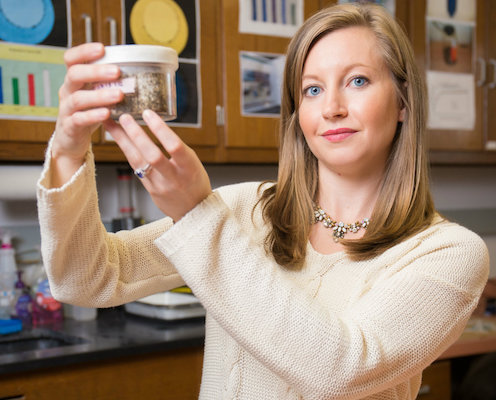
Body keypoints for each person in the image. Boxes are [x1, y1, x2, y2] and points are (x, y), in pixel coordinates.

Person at [37, 3, 489, 399]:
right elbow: (87, 280)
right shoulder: (248, 209)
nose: (331, 107)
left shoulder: (447, 252)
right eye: (312, 89)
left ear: (403, 100)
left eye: (357, 81)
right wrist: (67, 146)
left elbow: (341, 372)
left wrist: (196, 215)